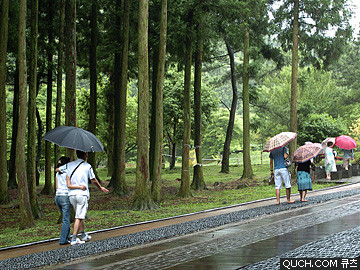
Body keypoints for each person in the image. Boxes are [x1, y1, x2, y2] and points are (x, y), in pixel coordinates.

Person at [59, 150, 109, 245]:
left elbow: (59, 170)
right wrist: (100, 187)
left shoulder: (69, 165)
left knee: (79, 214)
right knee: (79, 216)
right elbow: (93, 179)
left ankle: (83, 234)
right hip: (82, 194)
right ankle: (74, 238)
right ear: (85, 155)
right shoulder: (87, 166)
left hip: (71, 194)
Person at [55, 156, 87, 245]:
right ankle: (63, 240)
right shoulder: (67, 173)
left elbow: (56, 187)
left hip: (57, 196)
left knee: (65, 217)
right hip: (65, 196)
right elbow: (69, 186)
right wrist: (80, 187)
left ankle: (67, 237)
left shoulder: (58, 173)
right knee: (66, 219)